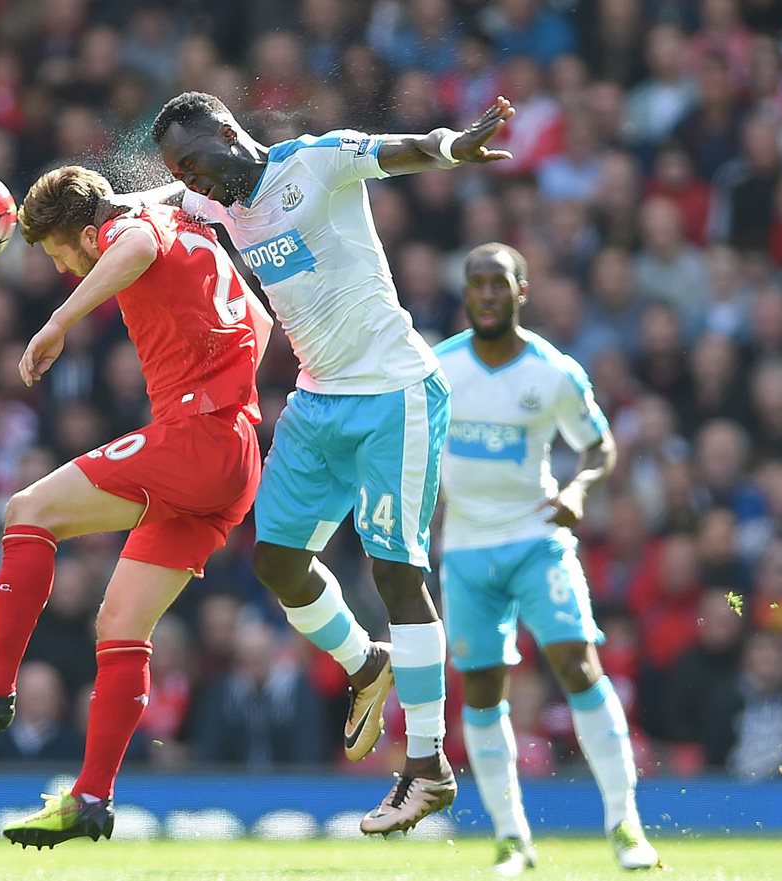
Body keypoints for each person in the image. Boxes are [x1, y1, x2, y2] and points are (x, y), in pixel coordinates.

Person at [137, 91, 515, 833]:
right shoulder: (214, 203)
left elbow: (400, 149)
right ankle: (368, 663)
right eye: (181, 172)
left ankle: (428, 767)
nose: (193, 180)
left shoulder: (314, 162)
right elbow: (146, 203)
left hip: (394, 394)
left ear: (227, 132)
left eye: (195, 162)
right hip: (317, 403)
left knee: (396, 573)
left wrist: (454, 147)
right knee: (277, 562)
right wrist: (81, 208)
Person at [0, 165, 272, 848]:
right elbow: (262, 322)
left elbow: (131, 246)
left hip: (195, 437)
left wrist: (57, 323)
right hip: (235, 450)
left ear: (82, 233)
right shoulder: (182, 223)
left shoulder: (130, 231)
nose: (63, 269)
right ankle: (91, 797)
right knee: (120, 624)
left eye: (58, 253)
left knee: (28, 509)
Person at [434, 243, 659, 874]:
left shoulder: (554, 372)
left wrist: (580, 489)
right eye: (477, 283)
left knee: (577, 664)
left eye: (499, 283)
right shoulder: (438, 368)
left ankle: (625, 823)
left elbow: (600, 446)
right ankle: (511, 837)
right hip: (466, 549)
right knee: (482, 688)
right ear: (466, 293)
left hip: (536, 538)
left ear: (521, 292)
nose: (487, 294)